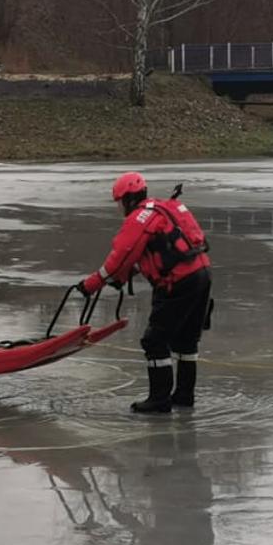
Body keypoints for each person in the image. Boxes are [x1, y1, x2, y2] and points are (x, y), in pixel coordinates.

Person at [77, 172, 213, 413]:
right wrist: (124, 276)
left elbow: (118, 260)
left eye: (119, 202)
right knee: (186, 341)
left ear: (127, 199)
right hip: (201, 275)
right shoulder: (163, 208)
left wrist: (90, 284)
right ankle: (184, 396)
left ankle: (159, 400)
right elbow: (161, 253)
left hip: (179, 282)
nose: (119, 208)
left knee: (154, 341)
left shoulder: (139, 219)